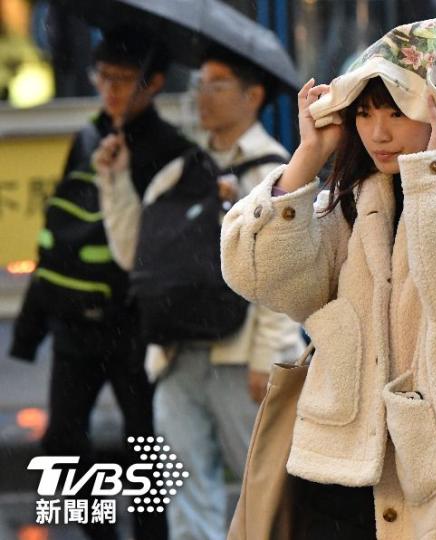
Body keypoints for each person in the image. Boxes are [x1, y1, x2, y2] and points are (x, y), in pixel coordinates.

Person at [219, 17, 436, 539]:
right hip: (334, 479)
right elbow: (258, 278)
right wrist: (307, 159)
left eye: (396, 111)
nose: (377, 132)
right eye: (364, 113)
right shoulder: (354, 194)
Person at [93, 46, 304, 540]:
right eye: (198, 85)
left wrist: (269, 355)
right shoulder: (179, 170)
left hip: (244, 358)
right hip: (175, 354)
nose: (201, 97)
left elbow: (284, 271)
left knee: (269, 491)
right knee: (186, 492)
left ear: (253, 96)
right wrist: (113, 179)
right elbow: (134, 255)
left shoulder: (276, 171)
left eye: (216, 85)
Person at [8, 25, 193, 540]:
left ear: (153, 83)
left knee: (147, 449)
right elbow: (59, 236)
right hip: (73, 327)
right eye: (102, 76)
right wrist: (31, 330)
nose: (109, 89)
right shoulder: (88, 136)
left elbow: (163, 251)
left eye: (123, 78)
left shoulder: (172, 152)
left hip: (134, 328)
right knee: (61, 448)